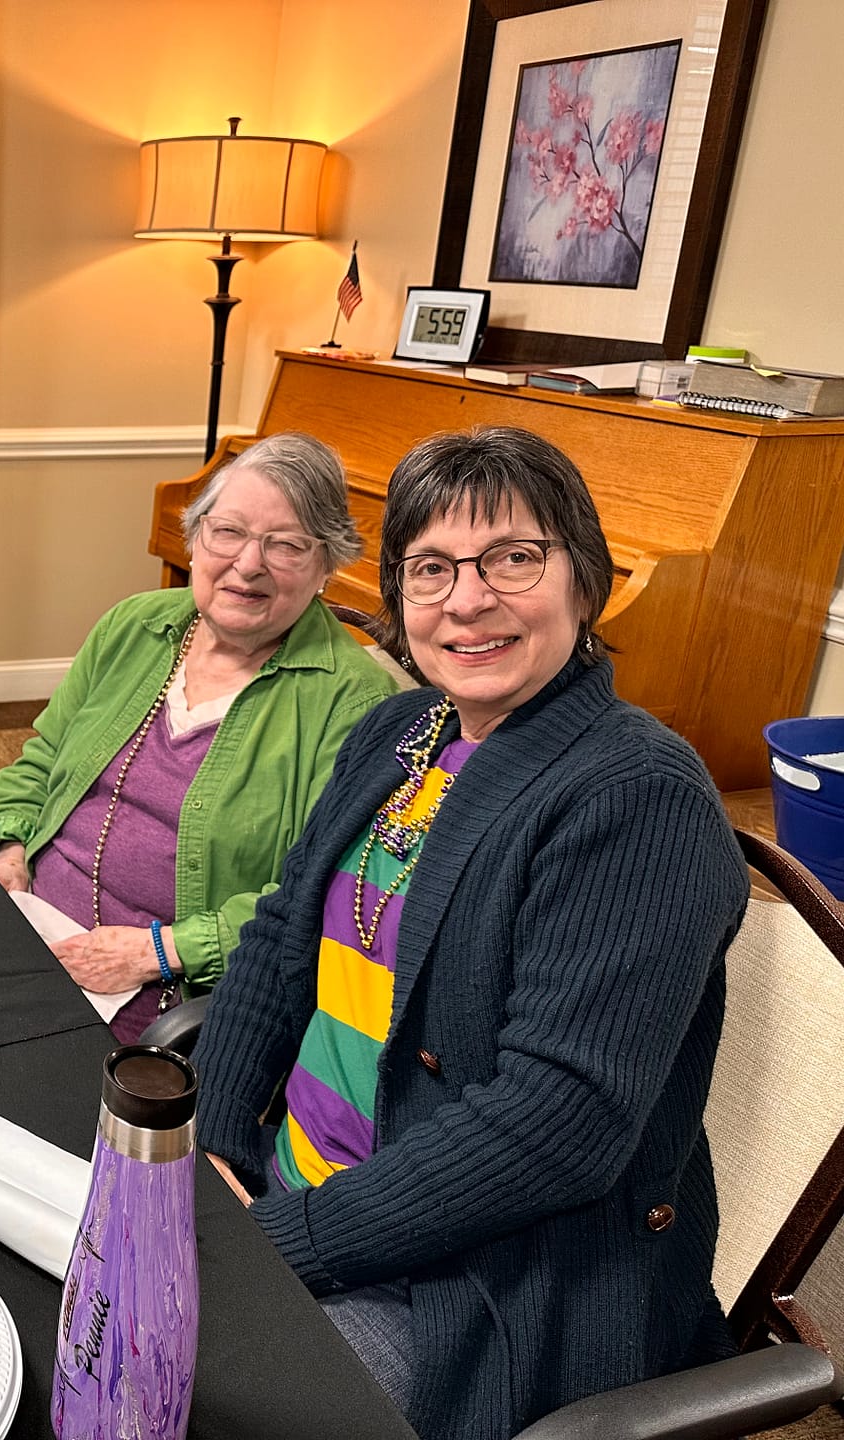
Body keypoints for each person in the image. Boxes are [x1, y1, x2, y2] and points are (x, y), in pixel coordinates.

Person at [188, 426, 749, 1439]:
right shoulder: (403, 735)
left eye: (514, 558)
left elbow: (553, 1128)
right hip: (298, 1194)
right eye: (431, 568)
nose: (468, 599)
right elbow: (279, 946)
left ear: (590, 580)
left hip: (479, 1283)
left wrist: (273, 1241)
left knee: (167, 1388)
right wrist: (215, 1149)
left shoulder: (637, 796)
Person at [0, 433, 401, 1041]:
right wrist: (10, 848)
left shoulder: (354, 703)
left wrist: (160, 950)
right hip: (30, 919)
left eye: (285, 545)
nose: (247, 564)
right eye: (227, 531)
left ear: (326, 566)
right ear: (197, 536)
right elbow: (41, 760)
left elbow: (319, 896)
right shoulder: (134, 624)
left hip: (161, 988)